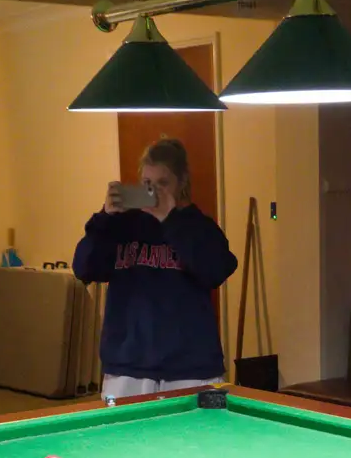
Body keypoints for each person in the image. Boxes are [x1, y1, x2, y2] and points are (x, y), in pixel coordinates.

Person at [73, 137, 237, 398]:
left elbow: (216, 269)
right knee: (125, 438)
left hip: (191, 368)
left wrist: (170, 219)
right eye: (148, 184)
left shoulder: (198, 226)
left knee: (198, 439)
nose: (155, 192)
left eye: (163, 184)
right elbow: (84, 269)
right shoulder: (121, 225)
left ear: (181, 183)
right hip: (128, 368)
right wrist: (105, 217)